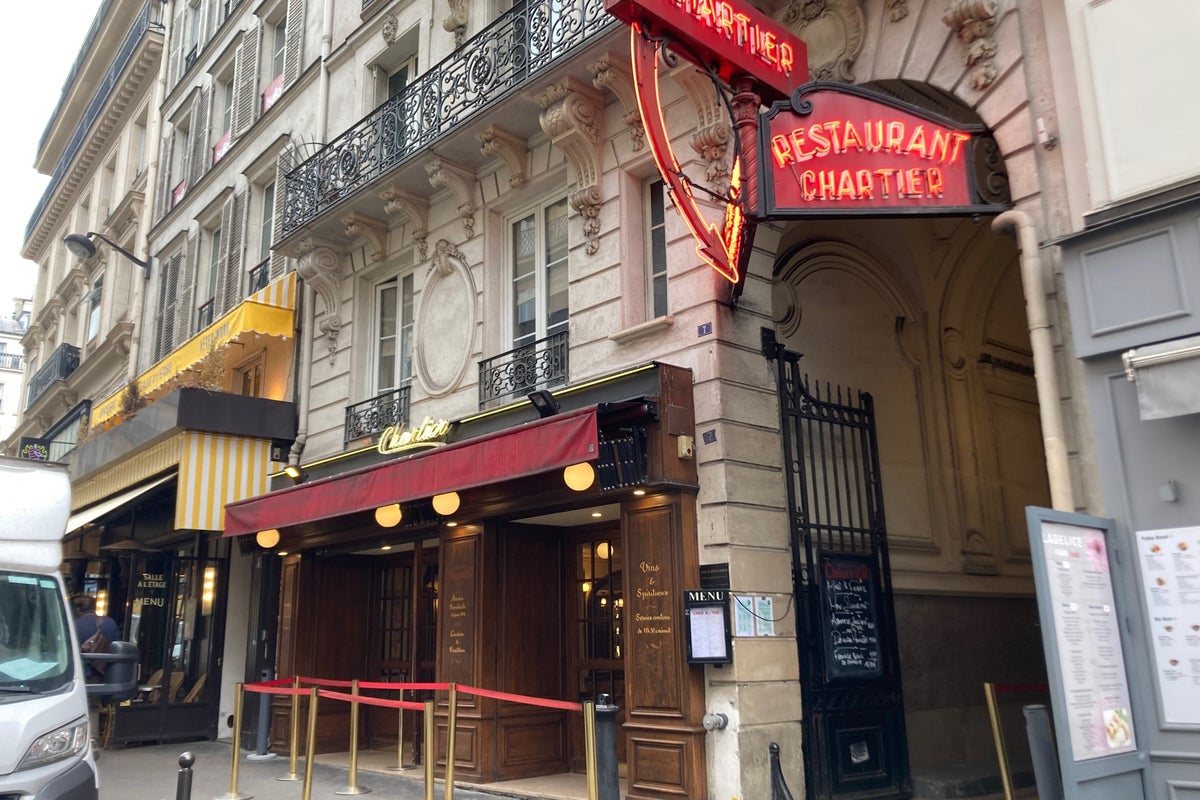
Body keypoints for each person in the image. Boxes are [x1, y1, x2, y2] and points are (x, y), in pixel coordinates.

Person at [72, 594, 120, 681]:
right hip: (105, 674)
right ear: (95, 607)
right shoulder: (110, 622)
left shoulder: (73, 625)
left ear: (78, 609)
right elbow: (116, 646)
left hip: (82, 674)